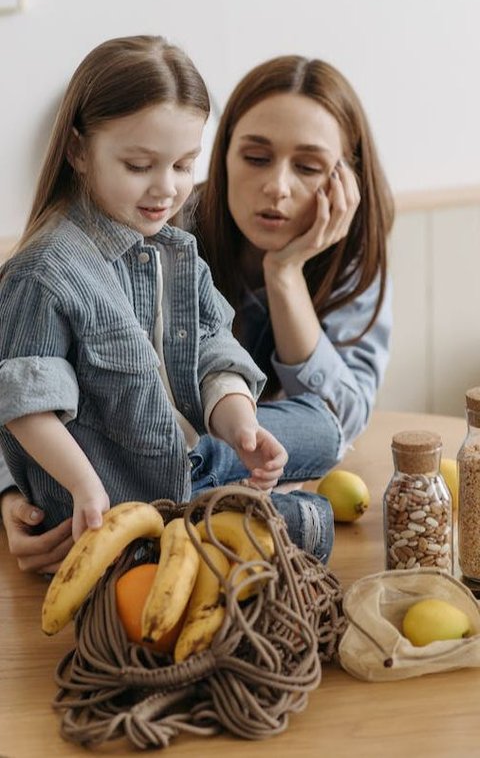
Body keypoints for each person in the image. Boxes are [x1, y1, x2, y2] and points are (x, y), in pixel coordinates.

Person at [1, 50, 394, 570]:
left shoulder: (173, 248)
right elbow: (23, 390)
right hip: (112, 481)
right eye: (140, 166)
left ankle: (204, 500)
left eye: (182, 165)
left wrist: (241, 423)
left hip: (186, 453)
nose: (166, 186)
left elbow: (215, 349)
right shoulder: (66, 262)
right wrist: (21, 492)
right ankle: (200, 509)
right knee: (301, 522)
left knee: (317, 481)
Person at [188, 53, 394, 493]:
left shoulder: (350, 253)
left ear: (345, 179)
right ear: (224, 155)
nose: (277, 187)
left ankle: (187, 462)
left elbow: (338, 421)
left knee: (320, 430)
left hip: (244, 458)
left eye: (307, 167)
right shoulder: (171, 233)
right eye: (257, 157)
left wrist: (285, 272)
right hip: (158, 431)